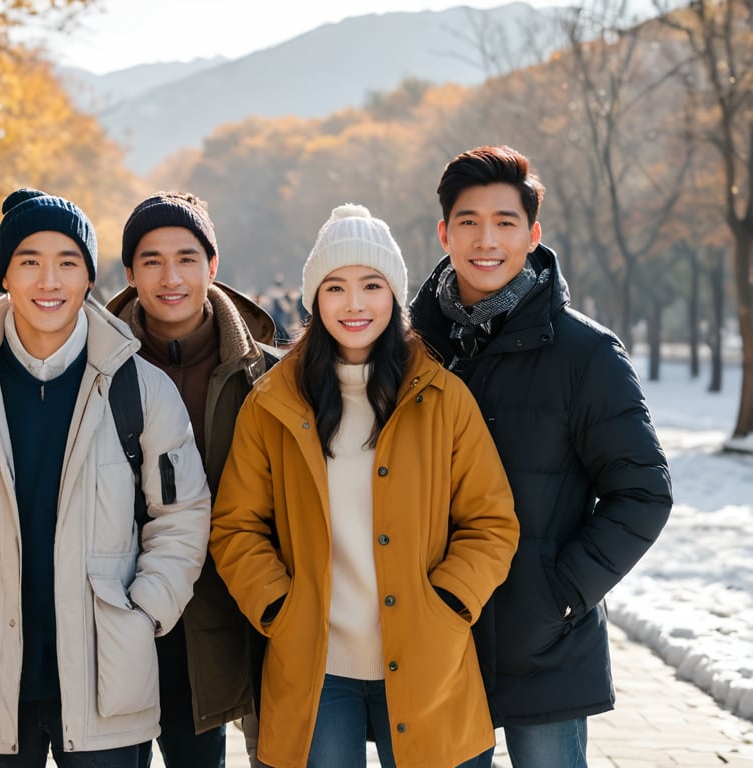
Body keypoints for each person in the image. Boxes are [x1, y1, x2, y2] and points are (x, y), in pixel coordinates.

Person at [0, 188, 212, 768]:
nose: (49, 281)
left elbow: (182, 515)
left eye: (68, 263)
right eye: (29, 262)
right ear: (5, 277)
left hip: (105, 680)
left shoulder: (137, 386)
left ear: (88, 278)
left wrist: (144, 615)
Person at [211, 203, 520, 768]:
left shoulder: (443, 398)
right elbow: (236, 526)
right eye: (335, 288)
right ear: (315, 299)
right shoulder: (274, 403)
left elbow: (491, 520)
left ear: (395, 297)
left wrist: (450, 599)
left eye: (372, 285)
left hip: (428, 654)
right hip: (316, 664)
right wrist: (278, 607)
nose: (354, 304)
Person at [409, 145, 674, 768]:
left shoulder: (585, 353)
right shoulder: (412, 349)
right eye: (469, 221)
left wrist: (561, 594)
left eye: (505, 222)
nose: (486, 240)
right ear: (444, 232)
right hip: (437, 635)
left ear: (533, 233)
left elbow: (643, 492)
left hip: (547, 644)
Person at [106, 192, 279, 768]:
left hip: (237, 618)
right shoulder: (93, 367)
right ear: (129, 273)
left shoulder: (266, 376)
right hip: (121, 617)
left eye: (186, 257)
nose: (170, 276)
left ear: (213, 264)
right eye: (151, 260)